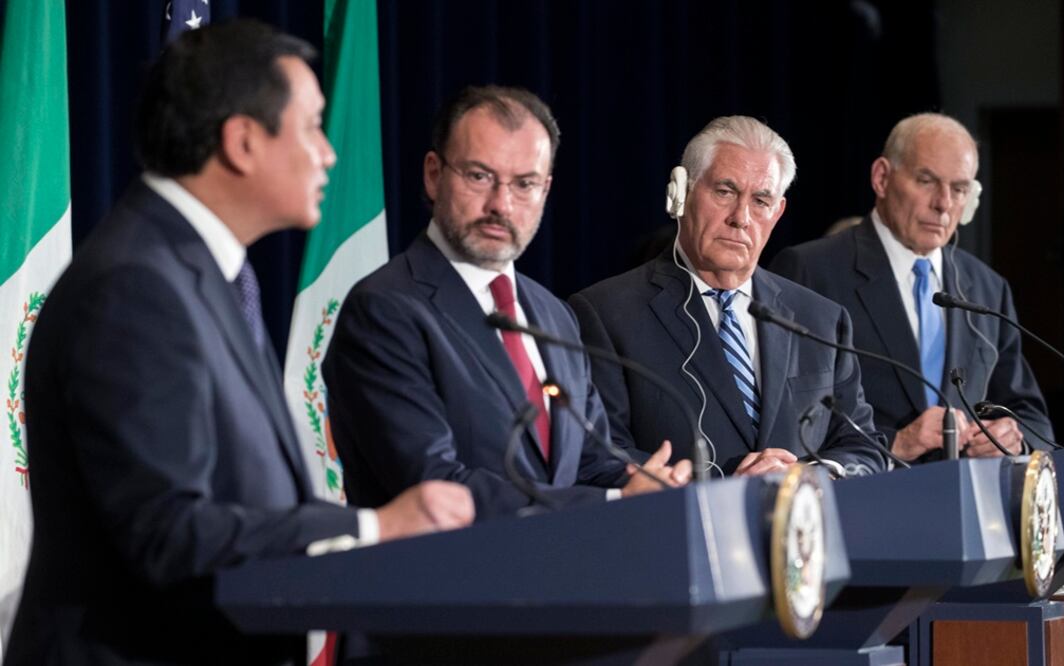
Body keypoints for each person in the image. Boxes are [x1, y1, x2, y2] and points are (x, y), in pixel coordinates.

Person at [5, 20, 473, 666]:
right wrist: (375, 526)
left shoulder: (202, 273)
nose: (328, 153)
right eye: (312, 127)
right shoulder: (135, 286)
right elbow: (169, 533)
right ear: (243, 142)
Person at [322, 85, 692, 521]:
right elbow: (435, 484)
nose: (501, 204)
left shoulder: (553, 315)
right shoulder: (384, 309)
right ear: (434, 175)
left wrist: (649, 484)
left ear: (545, 190)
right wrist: (613, 502)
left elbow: (589, 461)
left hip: (563, 562)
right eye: (479, 176)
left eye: (524, 184)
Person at [570, 116, 887, 477]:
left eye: (761, 200)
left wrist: (806, 477)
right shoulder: (606, 313)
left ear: (778, 212)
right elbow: (599, 453)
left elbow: (864, 449)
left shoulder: (820, 319)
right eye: (725, 192)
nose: (741, 218)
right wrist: (720, 488)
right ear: (681, 192)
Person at [770, 112, 1053, 462]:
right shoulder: (812, 271)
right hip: (868, 490)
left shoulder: (987, 288)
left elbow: (1032, 418)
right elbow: (787, 420)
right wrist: (894, 442)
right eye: (927, 181)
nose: (943, 203)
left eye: (959, 189)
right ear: (882, 178)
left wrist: (1012, 437)